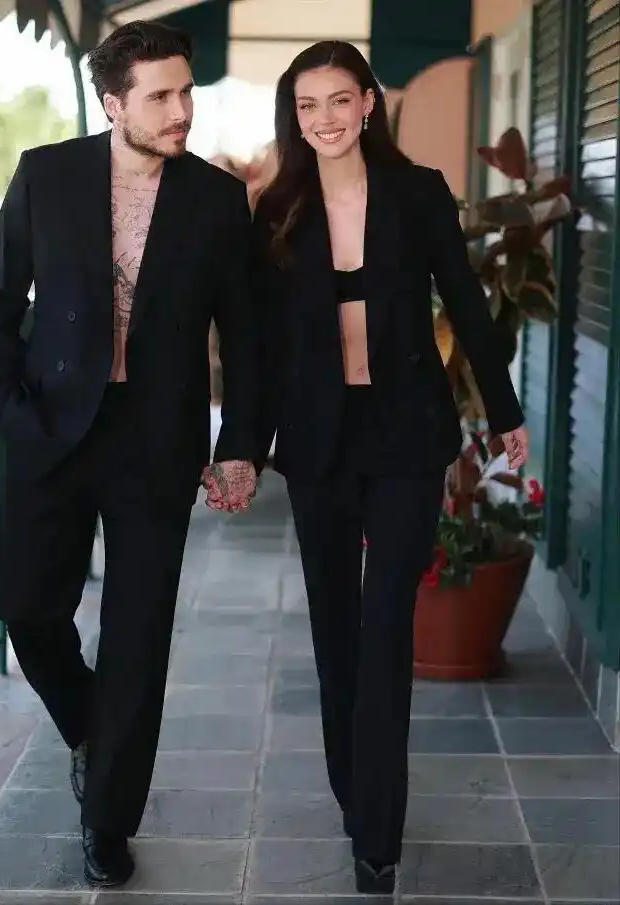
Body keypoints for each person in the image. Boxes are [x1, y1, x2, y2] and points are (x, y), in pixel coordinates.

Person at [0, 20, 256, 888]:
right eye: (160, 96)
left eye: (186, 91)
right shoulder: (47, 173)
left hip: (155, 437)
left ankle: (107, 818)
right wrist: (4, 403)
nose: (180, 111)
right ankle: (93, 728)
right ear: (113, 104)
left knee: (138, 633)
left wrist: (241, 445)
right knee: (24, 601)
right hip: (52, 425)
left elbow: (247, 334)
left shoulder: (217, 198)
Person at [249, 41, 528, 894]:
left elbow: (467, 303)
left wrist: (506, 411)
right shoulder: (278, 209)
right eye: (308, 105)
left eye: (340, 99)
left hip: (406, 433)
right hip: (319, 440)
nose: (325, 118)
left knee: (384, 625)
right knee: (335, 624)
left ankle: (378, 834)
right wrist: (240, 448)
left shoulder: (417, 192)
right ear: (294, 117)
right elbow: (258, 346)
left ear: (368, 103)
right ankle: (354, 785)